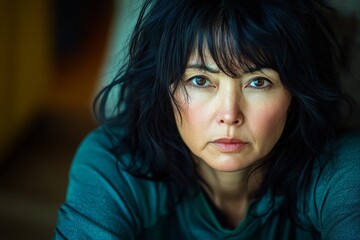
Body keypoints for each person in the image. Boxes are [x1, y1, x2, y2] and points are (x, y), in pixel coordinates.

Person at [54, 0, 360, 239]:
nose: (230, 115)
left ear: (296, 91)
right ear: (165, 87)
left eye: (258, 82)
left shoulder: (340, 167)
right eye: (200, 80)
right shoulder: (114, 162)